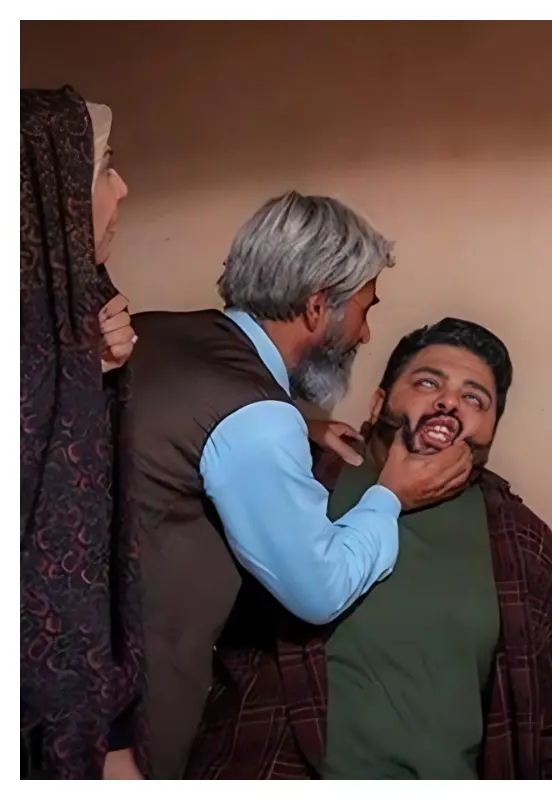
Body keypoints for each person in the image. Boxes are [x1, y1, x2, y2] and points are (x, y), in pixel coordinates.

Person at [120, 192, 475, 778]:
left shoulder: (148, 332)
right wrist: (390, 495)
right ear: (316, 307)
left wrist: (294, 424)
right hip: (125, 719)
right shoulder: (254, 420)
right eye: (364, 308)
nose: (365, 334)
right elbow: (317, 587)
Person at [185, 318, 552, 779]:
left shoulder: (522, 539)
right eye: (428, 383)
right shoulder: (302, 475)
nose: (449, 402)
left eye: (474, 399)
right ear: (378, 402)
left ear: (491, 432)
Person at [20, 86, 140, 780]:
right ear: (47, 193)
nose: (121, 188)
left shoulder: (78, 313)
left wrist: (94, 368)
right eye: (103, 168)